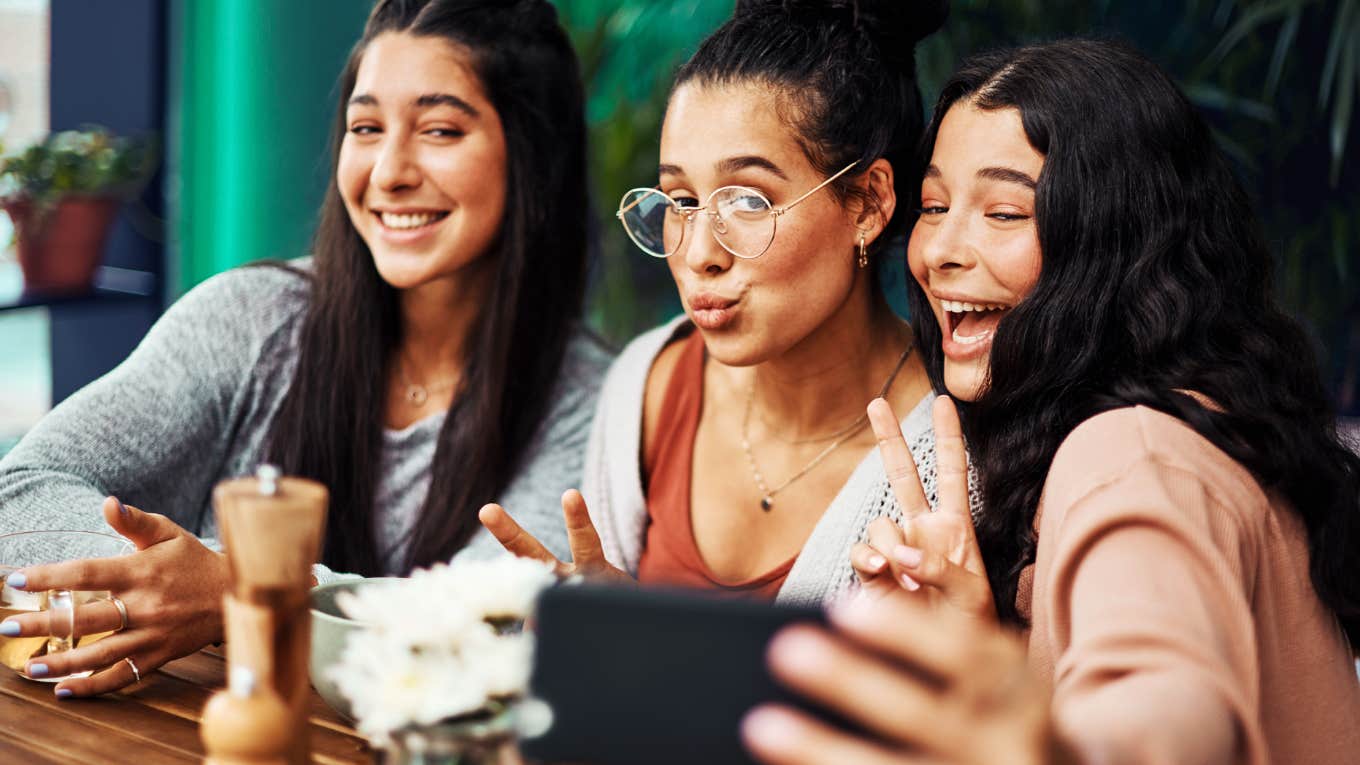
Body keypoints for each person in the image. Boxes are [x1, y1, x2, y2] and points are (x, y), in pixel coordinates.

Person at [741, 38, 1360, 765]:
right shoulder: (1189, 427)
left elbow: (1164, 705)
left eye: (1004, 213)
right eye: (935, 205)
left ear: (1117, 242)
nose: (940, 249)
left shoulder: (1130, 450)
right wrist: (983, 639)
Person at [0, 0, 609, 698]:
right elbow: (16, 493)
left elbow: (484, 626)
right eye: (366, 127)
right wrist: (184, 583)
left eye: (439, 129)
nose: (388, 171)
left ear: (535, 156)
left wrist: (244, 587)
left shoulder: (593, 403)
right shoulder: (253, 318)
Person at [480, 0, 956, 605]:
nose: (699, 251)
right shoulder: (647, 386)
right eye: (679, 200)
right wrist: (593, 630)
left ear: (867, 203)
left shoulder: (948, 460)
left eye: (749, 201)